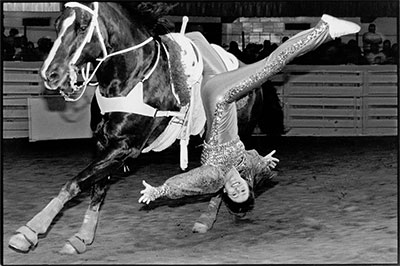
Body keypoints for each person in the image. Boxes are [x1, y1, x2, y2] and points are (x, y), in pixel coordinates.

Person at [139, 15, 360, 226]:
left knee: (273, 64)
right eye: (242, 191)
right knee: (196, 37)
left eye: (233, 193)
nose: (236, 188)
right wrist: (264, 161)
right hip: (215, 88)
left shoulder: (214, 176)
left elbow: (187, 184)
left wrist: (159, 191)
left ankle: (325, 29)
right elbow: (255, 161)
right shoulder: (244, 164)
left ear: (225, 191)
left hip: (221, 97)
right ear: (247, 185)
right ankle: (174, 40)